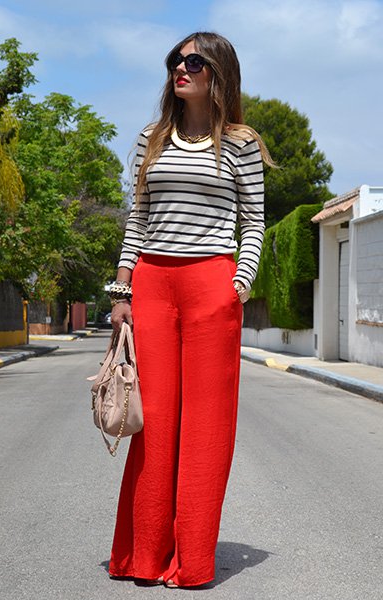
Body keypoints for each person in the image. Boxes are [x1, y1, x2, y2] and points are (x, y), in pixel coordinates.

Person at [108, 31, 275, 589]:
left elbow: (253, 220)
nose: (182, 69)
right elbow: (137, 218)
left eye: (194, 61)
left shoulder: (241, 143)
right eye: (175, 61)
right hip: (153, 284)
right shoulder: (149, 138)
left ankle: (195, 560)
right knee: (152, 422)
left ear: (217, 72)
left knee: (206, 429)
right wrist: (122, 290)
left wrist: (238, 284)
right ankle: (144, 555)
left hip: (211, 284)